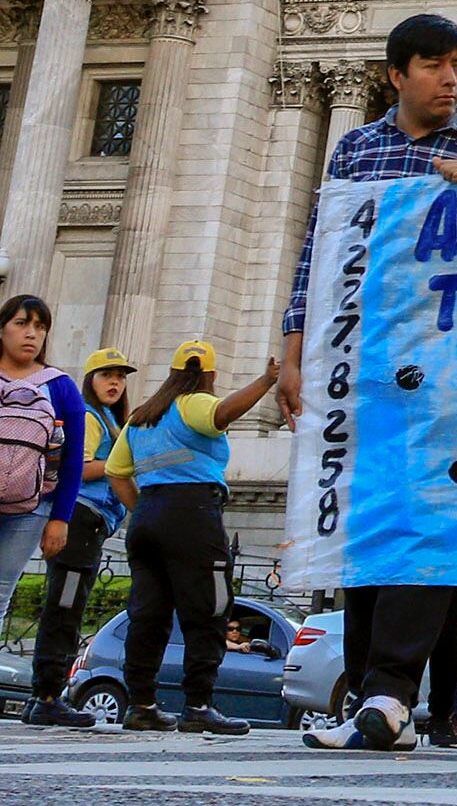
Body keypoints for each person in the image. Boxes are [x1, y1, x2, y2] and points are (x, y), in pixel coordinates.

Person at [293, 13, 457, 754]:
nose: (450, 78)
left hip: (454, 373)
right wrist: (294, 348)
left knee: (425, 519)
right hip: (366, 363)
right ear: (396, 74)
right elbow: (322, 250)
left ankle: (392, 690)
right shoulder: (356, 148)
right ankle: (374, 695)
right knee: (366, 528)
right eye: (433, 64)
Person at [108, 339, 278, 734]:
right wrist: (266, 381)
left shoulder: (142, 416)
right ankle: (198, 705)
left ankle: (141, 705)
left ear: (172, 372)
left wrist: (142, 510)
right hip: (193, 515)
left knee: (148, 615)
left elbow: (117, 472)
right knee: (209, 610)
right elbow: (222, 413)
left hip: (148, 516)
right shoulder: (195, 403)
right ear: (210, 375)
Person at [26, 345, 133, 727]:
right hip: (81, 520)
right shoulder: (90, 417)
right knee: (66, 606)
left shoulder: (108, 420)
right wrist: (120, 464)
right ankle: (48, 695)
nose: (115, 383)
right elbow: (80, 467)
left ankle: (43, 696)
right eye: (107, 375)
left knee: (66, 605)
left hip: (90, 523)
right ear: (91, 380)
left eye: (120, 377)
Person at [0, 297, 91, 725]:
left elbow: (73, 459)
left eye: (40, 327)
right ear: (3, 328)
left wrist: (61, 518)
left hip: (32, 507)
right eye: (22, 323)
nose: (31, 334)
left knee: (1, 593)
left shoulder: (61, 387)